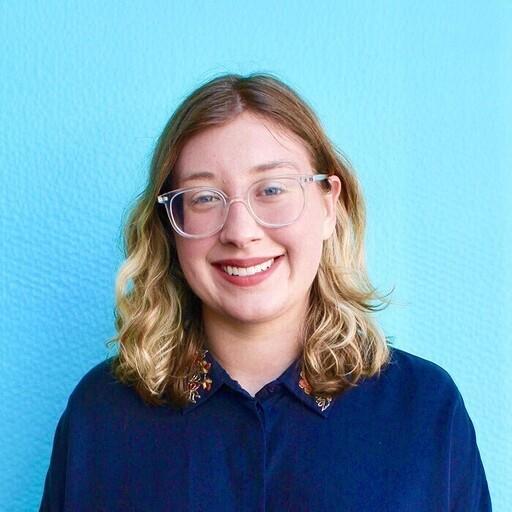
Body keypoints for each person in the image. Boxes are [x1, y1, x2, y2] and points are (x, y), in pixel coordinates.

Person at [39, 73, 491, 511]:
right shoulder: (99, 415)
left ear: (330, 205)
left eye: (272, 189)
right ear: (170, 226)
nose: (240, 231)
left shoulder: (425, 409)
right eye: (203, 197)